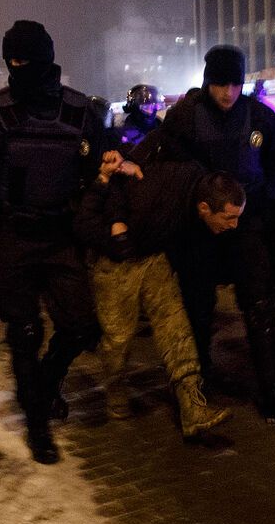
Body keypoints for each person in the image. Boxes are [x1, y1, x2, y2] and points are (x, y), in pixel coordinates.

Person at [0, 20, 109, 464]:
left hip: (60, 236)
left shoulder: (79, 112)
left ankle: (45, 383)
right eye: (12, 62)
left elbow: (101, 169)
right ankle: (38, 425)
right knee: (25, 332)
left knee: (80, 327)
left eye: (25, 60)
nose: (19, 68)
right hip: (9, 237)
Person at [155, 44, 275, 428]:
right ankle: (199, 381)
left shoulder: (257, 115)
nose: (228, 93)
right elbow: (169, 167)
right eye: (221, 84)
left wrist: (265, 198)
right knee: (198, 308)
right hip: (200, 232)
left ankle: (272, 392)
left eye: (235, 84)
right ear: (208, 83)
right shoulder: (186, 116)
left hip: (246, 227)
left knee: (259, 305)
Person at [74, 141, 235, 437]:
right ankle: (115, 388)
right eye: (229, 218)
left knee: (176, 327)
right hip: (115, 264)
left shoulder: (187, 187)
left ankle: (192, 407)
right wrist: (115, 241)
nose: (234, 225)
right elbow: (85, 223)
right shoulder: (134, 191)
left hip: (152, 259)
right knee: (118, 338)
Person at [116, 84, 163, 149]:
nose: (150, 111)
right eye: (146, 107)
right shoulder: (124, 133)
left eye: (154, 107)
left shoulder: (160, 125)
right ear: (133, 108)